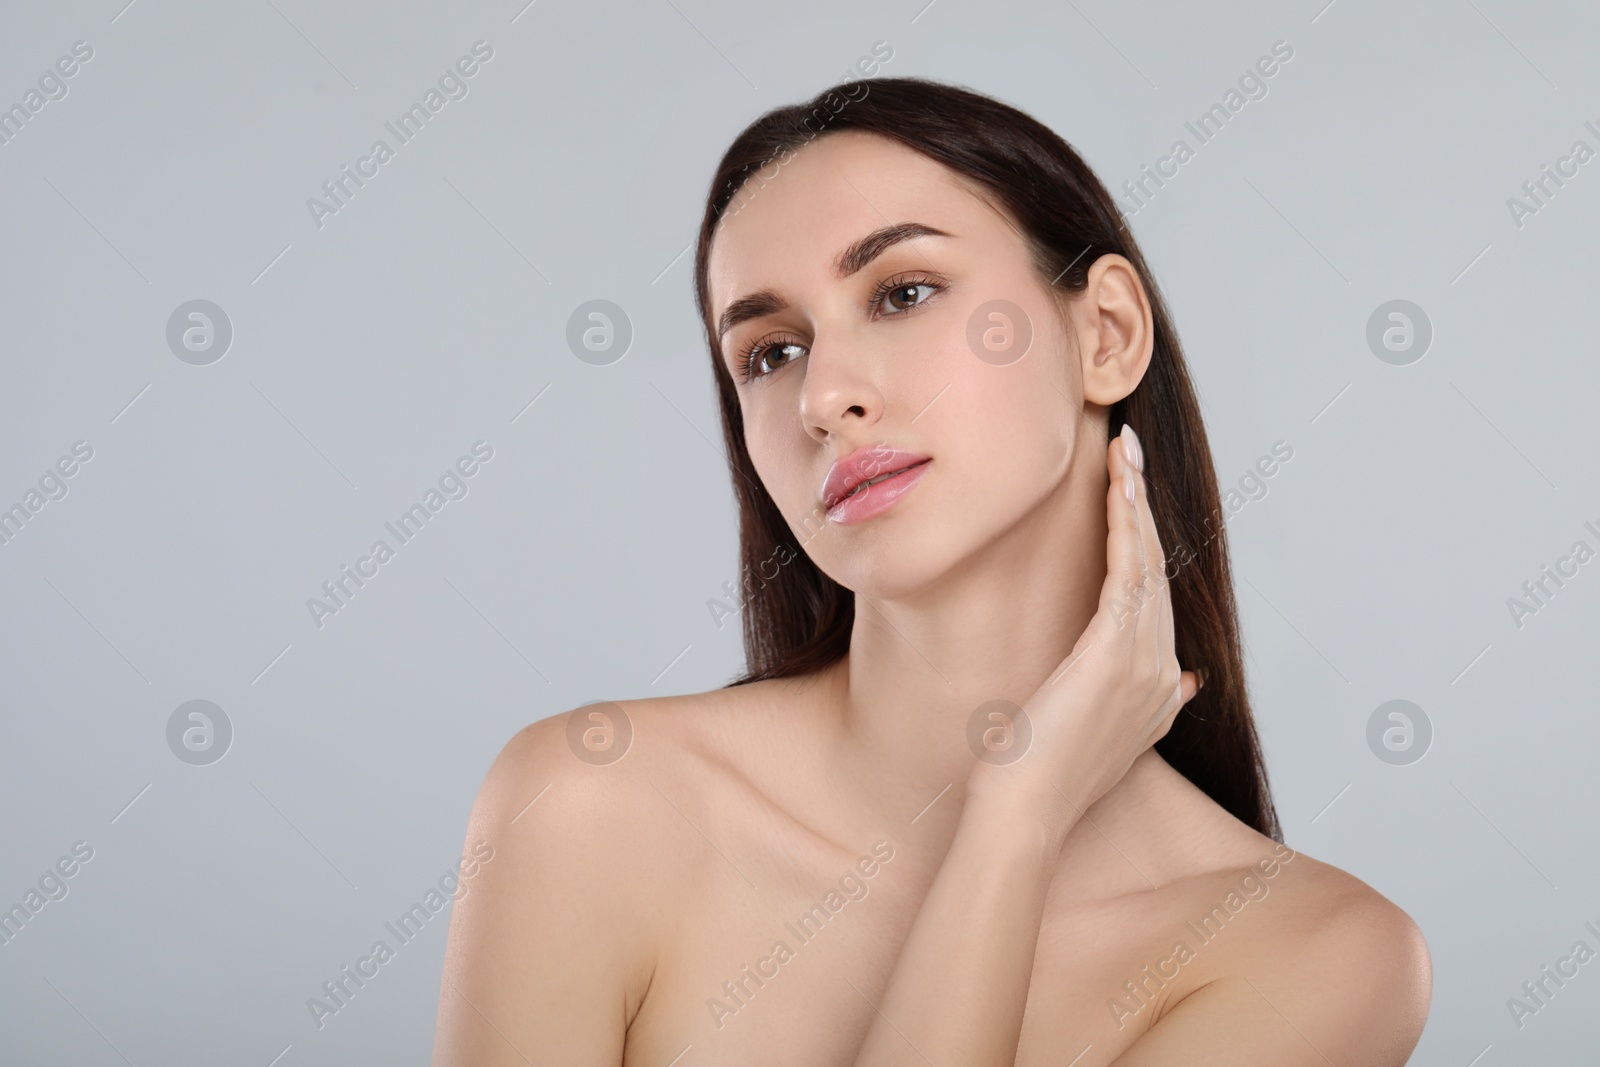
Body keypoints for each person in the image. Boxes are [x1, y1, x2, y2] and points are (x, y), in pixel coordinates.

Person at [432, 76, 1431, 1065]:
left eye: (902, 292)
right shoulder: (590, 805)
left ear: (1106, 334)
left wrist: (1013, 815)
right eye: (770, 352)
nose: (824, 394)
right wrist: (1017, 814)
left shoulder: (1314, 954)